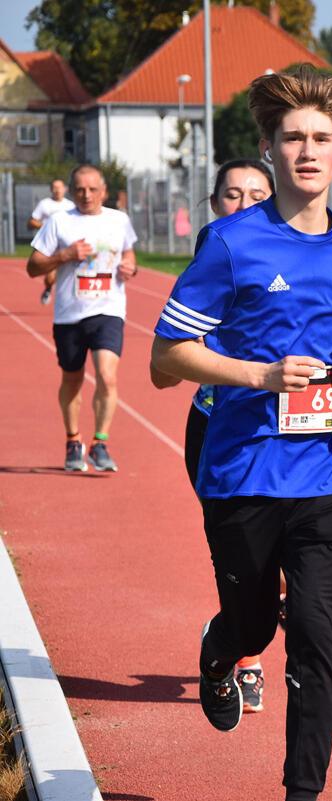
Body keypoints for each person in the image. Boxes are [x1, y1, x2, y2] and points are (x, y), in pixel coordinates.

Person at [149, 65, 332, 801]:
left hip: (329, 471)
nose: (308, 151)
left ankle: (302, 792)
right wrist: (259, 375)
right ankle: (220, 650)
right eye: (293, 138)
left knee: (315, 634)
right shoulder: (230, 245)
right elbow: (166, 359)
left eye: (321, 137)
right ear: (269, 149)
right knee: (253, 625)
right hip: (245, 471)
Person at [150, 158, 279, 715]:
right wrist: (202, 356)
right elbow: (161, 371)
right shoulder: (209, 266)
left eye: (258, 194)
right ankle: (244, 654)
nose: (245, 204)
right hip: (219, 431)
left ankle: (250, 629)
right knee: (245, 557)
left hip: (291, 434)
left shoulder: (305, 257)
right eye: (232, 194)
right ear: (213, 205)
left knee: (294, 559)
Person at [27, 164, 137, 472]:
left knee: (107, 376)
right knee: (72, 379)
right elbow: (33, 267)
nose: (86, 195)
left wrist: (130, 266)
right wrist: (64, 255)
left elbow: (128, 253)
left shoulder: (119, 220)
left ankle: (100, 443)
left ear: (104, 191)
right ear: (72, 192)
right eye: (80, 190)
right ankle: (73, 440)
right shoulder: (59, 222)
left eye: (92, 189)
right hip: (69, 314)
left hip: (108, 310)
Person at [28, 178, 76, 304]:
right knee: (50, 277)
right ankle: (49, 288)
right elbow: (32, 221)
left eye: (59, 187)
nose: (57, 190)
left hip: (66, 244)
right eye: (54, 187)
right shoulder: (45, 204)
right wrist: (47, 226)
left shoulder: (70, 206)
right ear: (51, 190)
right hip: (51, 245)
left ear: (65, 189)